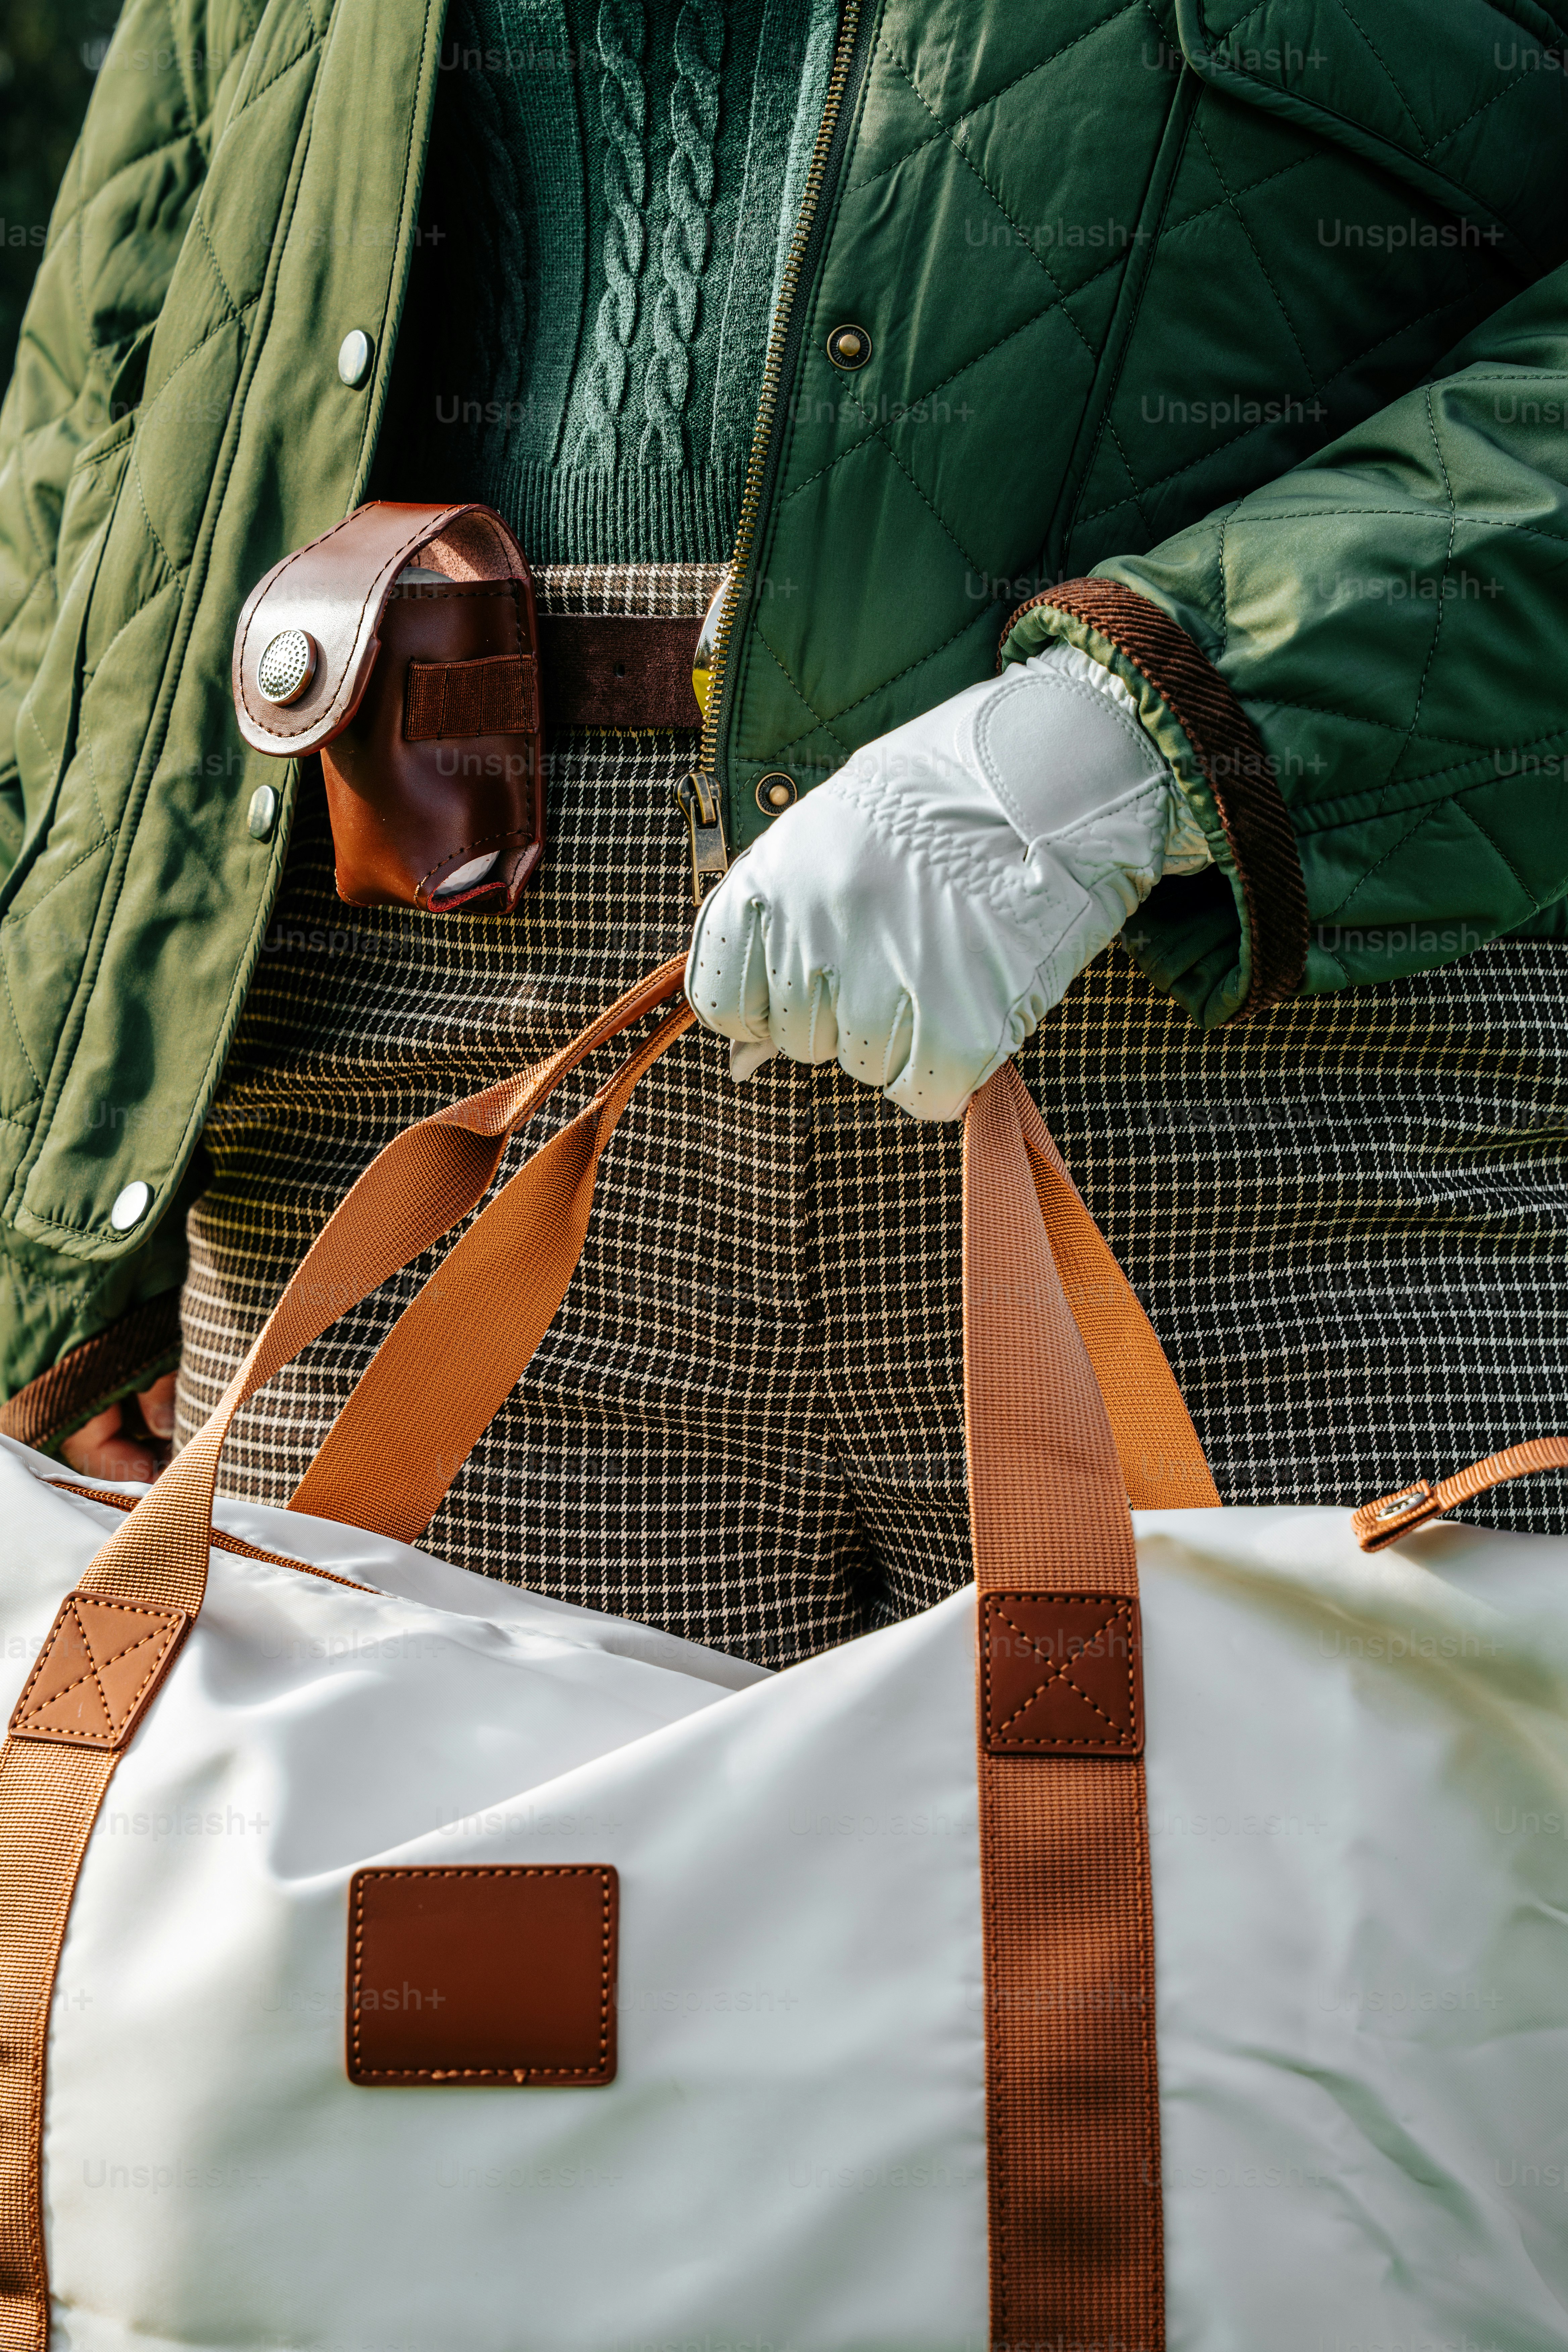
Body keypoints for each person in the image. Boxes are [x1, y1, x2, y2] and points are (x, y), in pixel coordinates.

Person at [3, 0, 1568, 1666]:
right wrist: (63, 1214)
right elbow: (117, 399)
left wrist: (1165, 720)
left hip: (1278, 1031)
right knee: (447, 1908)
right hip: (395, 1028)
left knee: (1310, 1889)